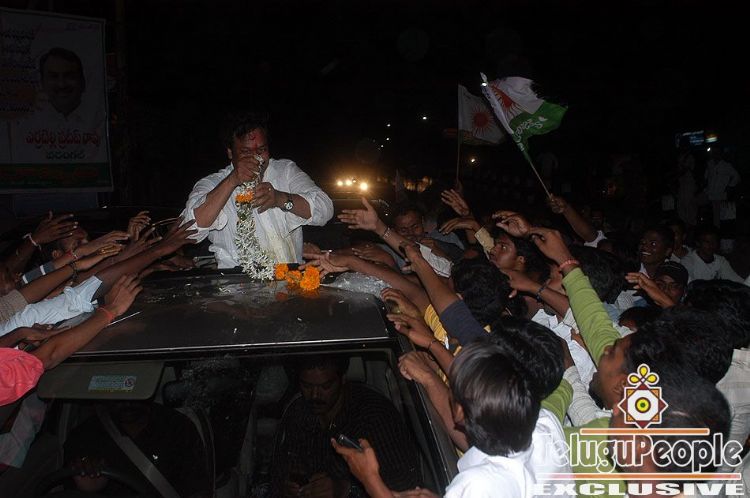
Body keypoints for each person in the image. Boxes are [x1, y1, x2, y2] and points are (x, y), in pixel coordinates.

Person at [333, 343, 540, 498]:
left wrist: (370, 480)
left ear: (459, 412)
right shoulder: (537, 432)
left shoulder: (477, 485)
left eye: (452, 389)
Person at [182, 113, 333, 267]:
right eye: (246, 152)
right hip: (237, 280)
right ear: (230, 153)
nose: (256, 158)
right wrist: (232, 181)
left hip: (292, 277)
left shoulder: (285, 171)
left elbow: (325, 209)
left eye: (261, 150)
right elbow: (190, 231)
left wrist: (280, 199)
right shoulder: (212, 184)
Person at [271, 355, 421, 497]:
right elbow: (276, 471)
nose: (315, 395)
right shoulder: (298, 412)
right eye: (307, 386)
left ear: (342, 379)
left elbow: (404, 483)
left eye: (325, 386)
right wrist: (287, 485)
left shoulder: (374, 415)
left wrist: (346, 489)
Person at [63, 400, 211, 497]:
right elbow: (69, 489)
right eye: (119, 392)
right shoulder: (85, 435)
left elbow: (197, 488)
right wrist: (87, 484)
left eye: (134, 389)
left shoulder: (177, 427)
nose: (127, 401)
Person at [8, 48, 107, 163]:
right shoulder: (25, 126)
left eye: (69, 76)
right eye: (54, 76)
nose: (61, 84)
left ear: (83, 82)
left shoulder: (100, 120)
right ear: (42, 83)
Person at [680, 225, 744, 282]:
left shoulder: (721, 261)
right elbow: (689, 285)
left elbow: (736, 281)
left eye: (714, 241)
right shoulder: (687, 262)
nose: (711, 245)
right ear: (698, 243)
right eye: (707, 242)